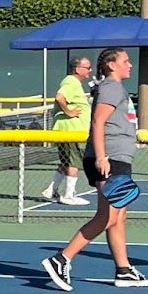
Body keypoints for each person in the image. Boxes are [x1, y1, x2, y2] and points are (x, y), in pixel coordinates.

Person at [40, 48, 148, 290]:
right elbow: (98, 122)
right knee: (109, 216)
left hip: (117, 158)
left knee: (118, 217)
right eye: (125, 61)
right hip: (110, 159)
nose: (130, 65)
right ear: (112, 65)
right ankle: (61, 259)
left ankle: (124, 270)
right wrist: (102, 157)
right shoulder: (112, 87)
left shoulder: (113, 88)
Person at [40, 55, 93, 206]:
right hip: (70, 131)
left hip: (69, 130)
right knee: (74, 163)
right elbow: (60, 97)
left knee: (65, 162)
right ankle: (69, 196)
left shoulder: (73, 83)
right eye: (87, 67)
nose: (90, 70)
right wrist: (69, 112)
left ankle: (51, 190)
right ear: (77, 69)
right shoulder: (71, 82)